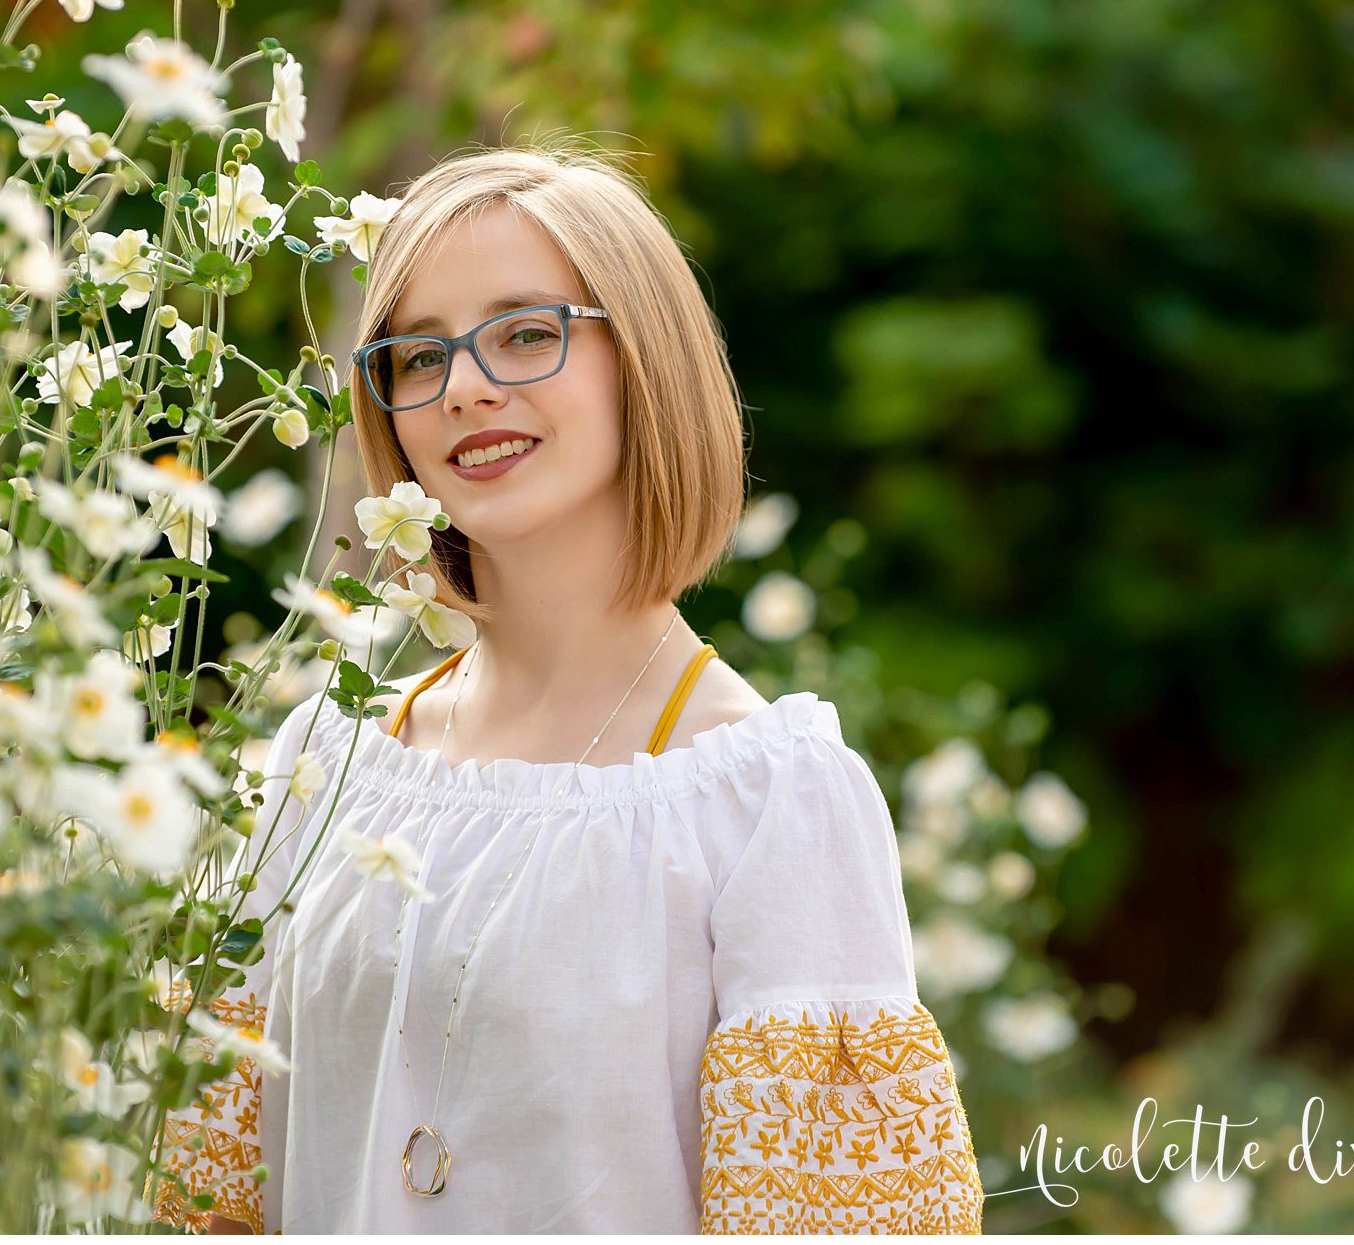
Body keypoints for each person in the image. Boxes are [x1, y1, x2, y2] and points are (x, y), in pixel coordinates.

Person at [158, 149, 981, 1236]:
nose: (463, 384)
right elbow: (204, 1198)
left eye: (525, 331)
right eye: (417, 352)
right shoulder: (327, 763)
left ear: (642, 357)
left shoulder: (767, 801)